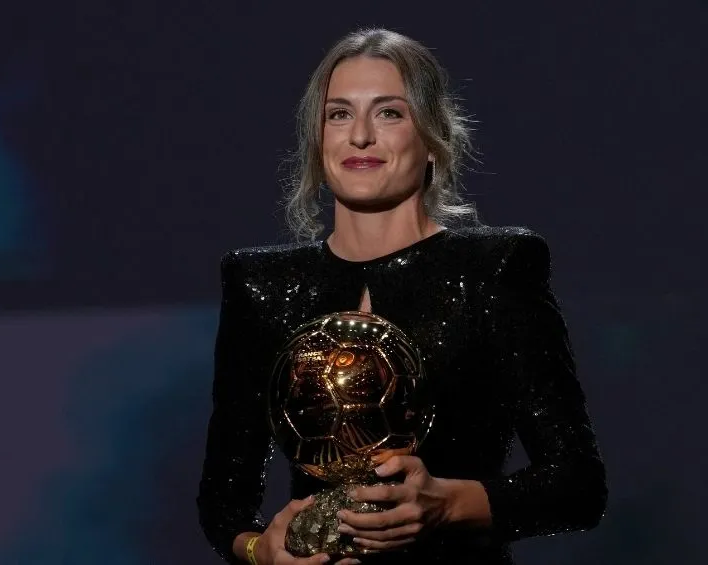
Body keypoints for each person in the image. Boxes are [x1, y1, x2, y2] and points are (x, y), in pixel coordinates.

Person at [198, 28, 607, 565]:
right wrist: (260, 549)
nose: (360, 136)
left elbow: (576, 485)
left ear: (434, 138)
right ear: (316, 141)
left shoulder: (493, 270)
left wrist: (447, 503)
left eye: (389, 113)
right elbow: (223, 501)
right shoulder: (259, 285)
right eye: (338, 114)